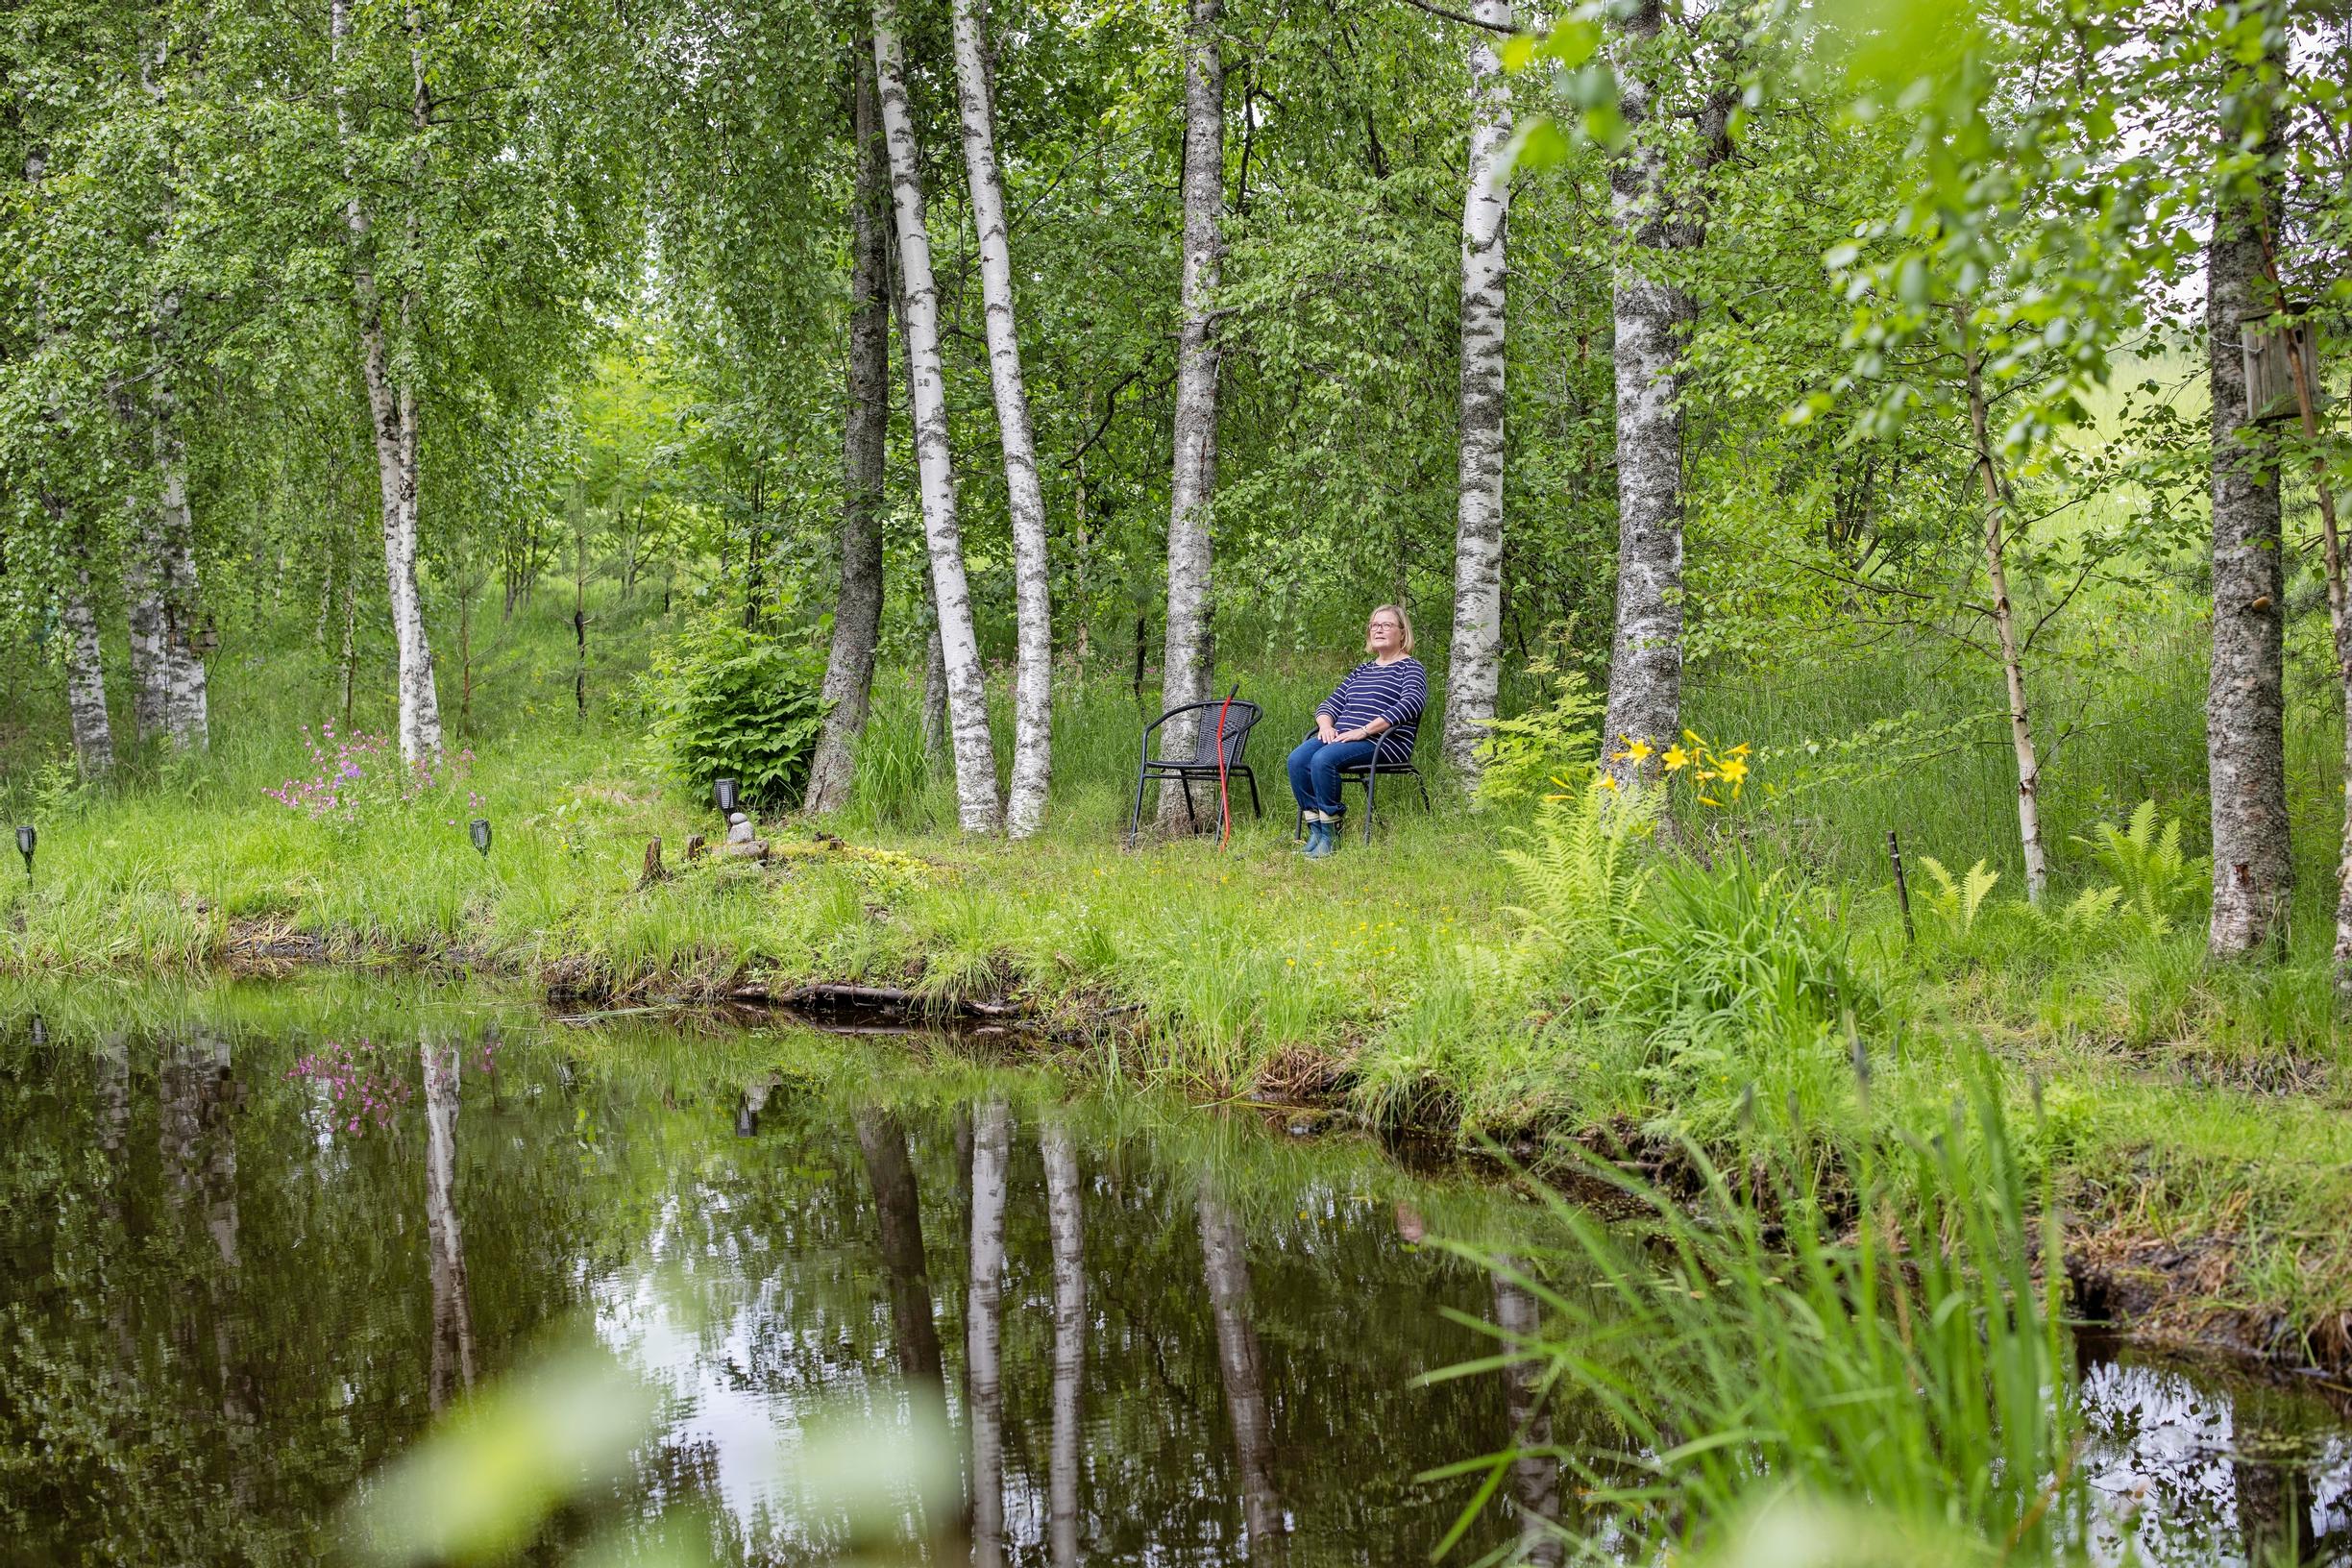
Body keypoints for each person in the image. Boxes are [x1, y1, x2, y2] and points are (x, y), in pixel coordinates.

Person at [1289, 605, 1427, 858]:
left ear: (1402, 632)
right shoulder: (1362, 670)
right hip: (1343, 737)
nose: (1378, 630)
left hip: (1383, 742)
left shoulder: (1411, 668)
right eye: (1374, 625)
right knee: (1297, 759)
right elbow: (1329, 705)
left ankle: (1331, 835)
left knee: (1323, 759)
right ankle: (1316, 832)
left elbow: (1411, 704)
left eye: (1386, 625)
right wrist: (1326, 726)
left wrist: (1364, 730)